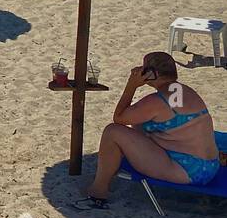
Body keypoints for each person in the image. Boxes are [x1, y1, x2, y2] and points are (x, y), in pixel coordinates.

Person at [86, 52, 220, 201]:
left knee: (112, 132)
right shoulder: (183, 90)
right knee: (140, 123)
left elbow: (119, 118)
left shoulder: (158, 100)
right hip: (210, 166)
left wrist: (131, 86)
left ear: (151, 74)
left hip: (186, 170)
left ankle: (98, 191)